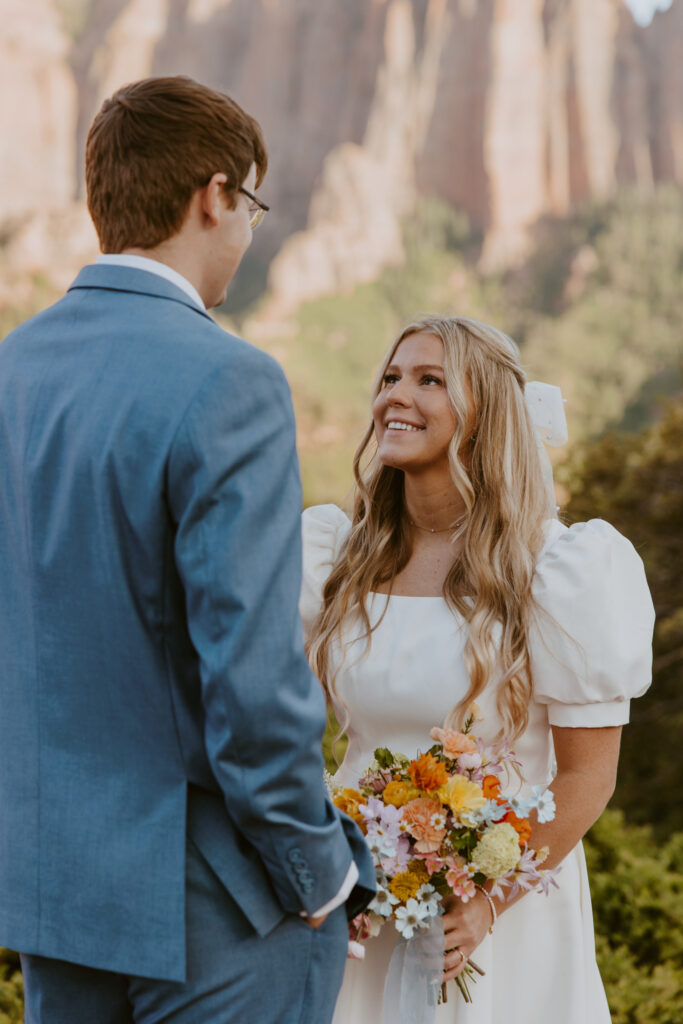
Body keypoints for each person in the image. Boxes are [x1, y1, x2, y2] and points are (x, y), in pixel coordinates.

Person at [0, 76, 374, 1024]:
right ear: (214, 196)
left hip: (54, 893)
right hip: (215, 903)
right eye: (250, 205)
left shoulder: (11, 372)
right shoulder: (229, 380)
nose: (246, 235)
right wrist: (319, 871)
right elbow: (250, 680)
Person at [299, 315, 655, 1023]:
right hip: (361, 901)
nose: (396, 396)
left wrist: (488, 898)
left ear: (484, 414)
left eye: (429, 380)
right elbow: (281, 733)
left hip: (503, 907)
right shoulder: (337, 555)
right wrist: (325, 868)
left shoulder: (557, 571)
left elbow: (587, 776)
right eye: (392, 377)